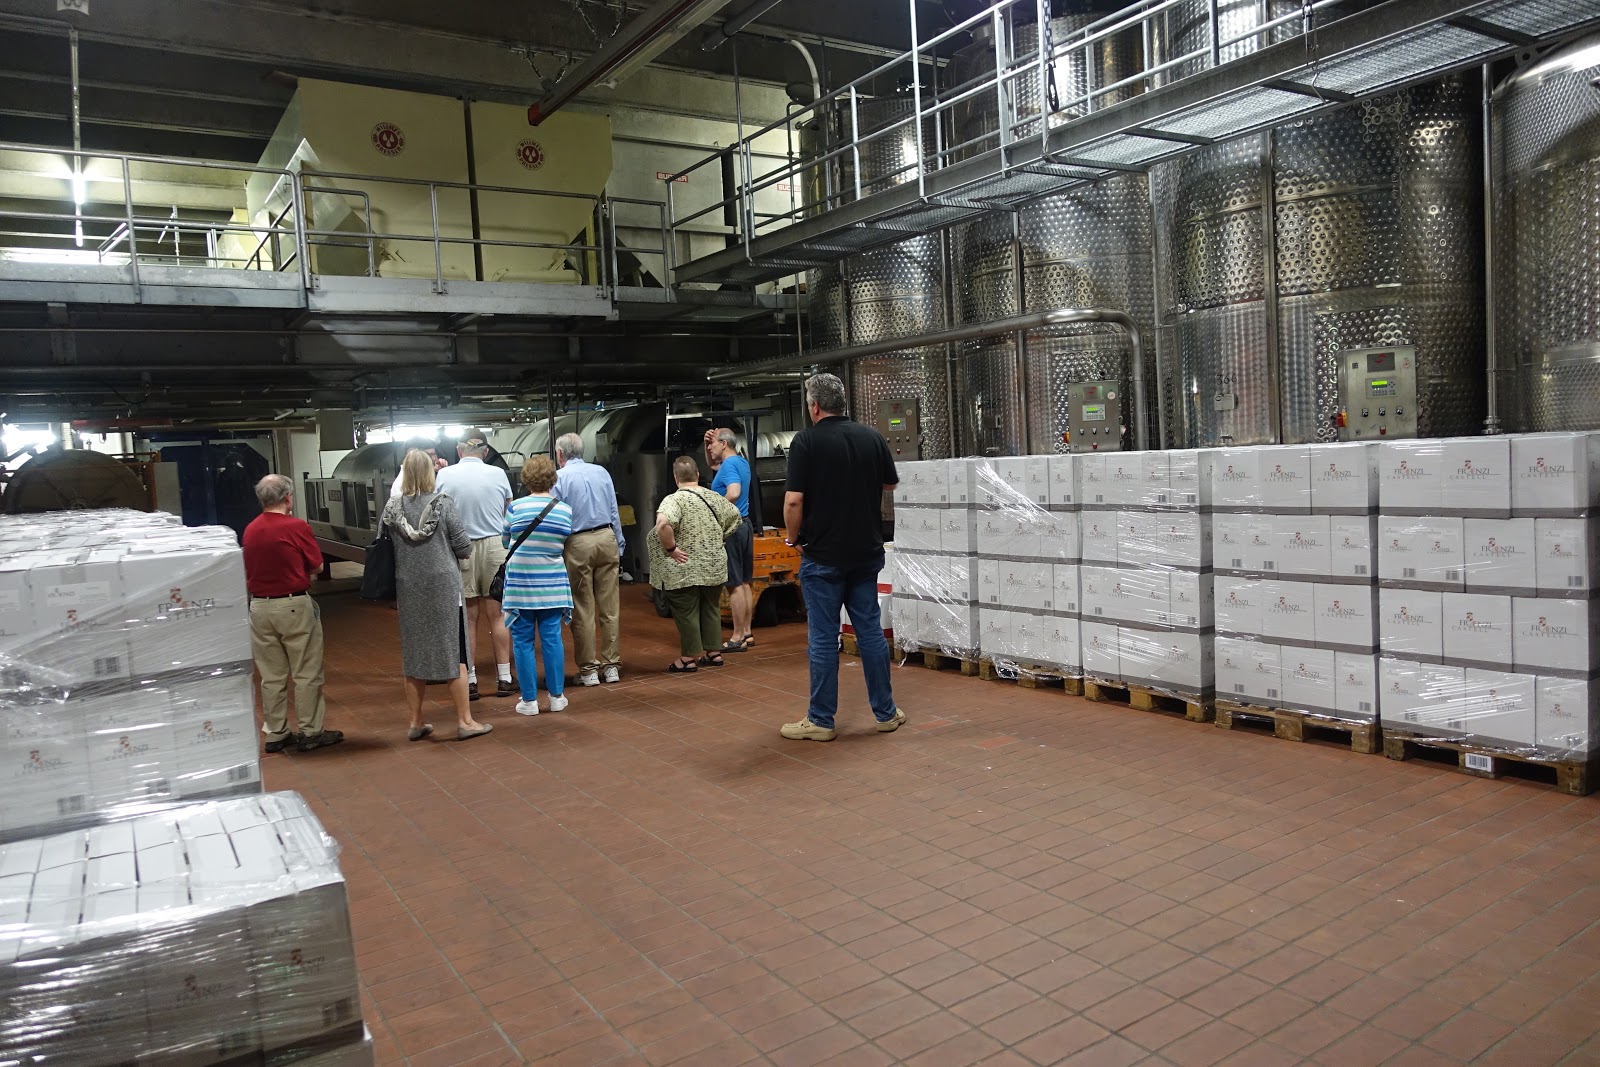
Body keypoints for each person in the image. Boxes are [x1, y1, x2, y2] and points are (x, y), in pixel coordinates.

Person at [780, 373, 905, 741]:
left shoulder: (806, 442)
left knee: (823, 636)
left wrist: (791, 539)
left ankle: (820, 721)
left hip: (823, 555)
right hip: (865, 553)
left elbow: (793, 500)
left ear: (814, 406)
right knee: (869, 631)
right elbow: (890, 483)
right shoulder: (871, 437)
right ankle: (885, 712)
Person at [382, 448, 492, 742]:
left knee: (414, 654)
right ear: (431, 473)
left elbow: (386, 543)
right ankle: (465, 721)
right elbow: (463, 547)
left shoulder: (392, 509)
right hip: (444, 588)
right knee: (454, 652)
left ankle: (416, 721)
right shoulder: (443, 505)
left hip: (409, 587)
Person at [242, 474, 341, 754]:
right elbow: (318, 567)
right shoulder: (296, 527)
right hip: (293, 605)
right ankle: (311, 731)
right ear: (288, 497)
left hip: (259, 607)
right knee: (306, 672)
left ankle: (276, 733)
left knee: (271, 675)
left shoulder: (250, 529)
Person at [436, 433, 513, 700]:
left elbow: (438, 513)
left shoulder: (444, 476)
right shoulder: (498, 474)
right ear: (485, 450)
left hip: (461, 548)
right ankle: (504, 677)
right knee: (499, 616)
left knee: (468, 618)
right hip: (495, 546)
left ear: (459, 451)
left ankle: (469, 680)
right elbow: (508, 511)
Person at [648, 456, 741, 673]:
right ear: (698, 475)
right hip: (713, 564)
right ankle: (713, 654)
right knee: (710, 607)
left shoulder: (673, 500)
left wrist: (671, 549)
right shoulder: (715, 497)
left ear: (675, 478)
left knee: (686, 610)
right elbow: (735, 516)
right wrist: (719, 537)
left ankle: (688, 658)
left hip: (684, 567)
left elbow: (663, 524)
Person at [502, 455, 574, 715]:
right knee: (552, 639)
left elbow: (504, 540)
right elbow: (564, 540)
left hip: (521, 582)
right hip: (552, 582)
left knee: (522, 641)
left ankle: (529, 701)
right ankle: (556, 697)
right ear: (552, 479)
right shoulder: (565, 510)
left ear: (526, 479)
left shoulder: (516, 508)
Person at [552, 432, 625, 687]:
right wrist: (619, 541)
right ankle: (612, 666)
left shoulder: (559, 477)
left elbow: (555, 517)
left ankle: (589, 671)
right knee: (610, 606)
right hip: (606, 536)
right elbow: (614, 509)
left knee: (582, 608)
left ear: (560, 454)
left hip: (578, 542)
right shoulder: (601, 472)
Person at [705, 427, 756, 653]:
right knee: (744, 581)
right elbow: (713, 466)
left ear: (724, 443)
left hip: (733, 529)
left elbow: (733, 492)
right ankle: (746, 632)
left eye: (712, 443)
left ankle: (736, 637)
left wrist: (717, 511)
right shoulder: (740, 462)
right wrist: (705, 442)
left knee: (734, 584)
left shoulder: (729, 466)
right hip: (745, 524)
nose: (710, 447)